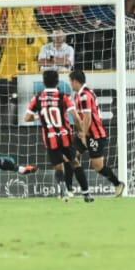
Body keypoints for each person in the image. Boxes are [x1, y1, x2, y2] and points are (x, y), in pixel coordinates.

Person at [25, 70, 90, 201]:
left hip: (50, 138)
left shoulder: (37, 98)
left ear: (44, 82)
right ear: (58, 81)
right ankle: (86, 194)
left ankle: (63, 192)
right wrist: (81, 132)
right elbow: (76, 117)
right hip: (65, 136)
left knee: (58, 167)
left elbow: (27, 118)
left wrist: (40, 115)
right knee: (75, 163)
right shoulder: (64, 97)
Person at [70, 69, 124, 196]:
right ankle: (69, 188)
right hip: (85, 133)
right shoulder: (79, 94)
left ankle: (118, 184)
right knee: (71, 156)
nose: (71, 84)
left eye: (71, 82)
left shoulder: (84, 95)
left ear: (76, 81)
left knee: (98, 166)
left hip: (95, 135)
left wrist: (83, 134)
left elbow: (88, 117)